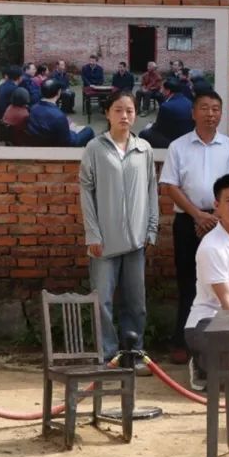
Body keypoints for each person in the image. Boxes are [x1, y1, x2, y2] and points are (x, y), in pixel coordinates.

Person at [160, 88, 229, 364]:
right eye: (205, 108)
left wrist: (215, 217)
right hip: (189, 221)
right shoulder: (178, 146)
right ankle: (182, 341)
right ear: (193, 113)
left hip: (222, 222)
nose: (210, 114)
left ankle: (223, 339)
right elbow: (170, 185)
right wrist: (198, 216)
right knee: (188, 282)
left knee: (224, 282)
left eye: (215, 109)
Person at [79, 90, 159, 372]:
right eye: (118, 110)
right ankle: (107, 356)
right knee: (102, 301)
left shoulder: (144, 149)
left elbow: (151, 190)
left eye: (129, 111)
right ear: (107, 113)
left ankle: (133, 354)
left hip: (136, 240)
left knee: (136, 303)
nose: (124, 116)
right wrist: (92, 233)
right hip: (104, 241)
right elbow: (86, 192)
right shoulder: (95, 148)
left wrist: (151, 229)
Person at [184, 173, 229, 391]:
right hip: (207, 323)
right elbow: (227, 300)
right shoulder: (211, 247)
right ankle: (200, 363)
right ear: (217, 205)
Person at [25, 79, 96, 147]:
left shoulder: (33, 107)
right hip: (57, 145)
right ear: (59, 92)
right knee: (88, 130)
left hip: (41, 141)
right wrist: (73, 131)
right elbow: (67, 141)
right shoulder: (58, 116)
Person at [140, 78, 194, 148]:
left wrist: (150, 126)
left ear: (168, 91)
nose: (161, 90)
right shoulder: (189, 102)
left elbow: (158, 128)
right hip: (188, 137)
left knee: (144, 133)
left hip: (173, 140)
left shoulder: (166, 106)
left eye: (162, 88)